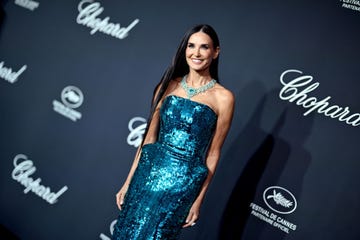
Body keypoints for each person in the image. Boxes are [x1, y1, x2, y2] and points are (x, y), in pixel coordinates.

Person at [112, 24, 235, 240]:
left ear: (216, 52)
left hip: (182, 186)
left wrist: (198, 200)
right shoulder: (167, 86)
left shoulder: (223, 98)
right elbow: (148, 140)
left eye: (204, 47)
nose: (196, 53)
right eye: (191, 46)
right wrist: (128, 181)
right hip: (146, 177)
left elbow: (213, 153)